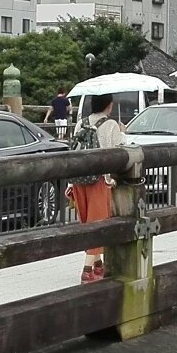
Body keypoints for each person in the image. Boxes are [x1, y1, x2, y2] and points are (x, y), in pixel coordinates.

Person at [67, 91, 125, 282]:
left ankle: (99, 264)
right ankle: (87, 269)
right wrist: (122, 132)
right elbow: (119, 151)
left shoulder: (80, 123)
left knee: (87, 222)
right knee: (98, 223)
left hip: (78, 179)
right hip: (99, 180)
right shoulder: (111, 125)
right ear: (109, 105)